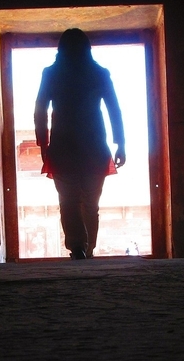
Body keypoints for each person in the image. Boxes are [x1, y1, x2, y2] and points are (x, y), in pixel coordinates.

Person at [34, 28, 126, 260]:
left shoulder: (52, 73)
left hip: (63, 146)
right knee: (90, 204)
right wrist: (120, 143)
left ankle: (78, 247)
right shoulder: (99, 73)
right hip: (94, 145)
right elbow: (114, 109)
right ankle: (88, 249)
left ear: (61, 49)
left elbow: (40, 110)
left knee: (68, 201)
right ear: (88, 48)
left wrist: (43, 144)